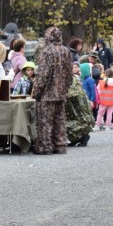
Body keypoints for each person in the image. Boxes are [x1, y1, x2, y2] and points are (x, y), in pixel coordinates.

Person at [32, 26, 73, 154]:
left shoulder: (47, 51)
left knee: (45, 121)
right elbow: (70, 74)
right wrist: (65, 89)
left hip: (47, 93)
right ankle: (60, 145)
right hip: (61, 93)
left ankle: (46, 147)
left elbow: (43, 74)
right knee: (59, 120)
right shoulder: (66, 51)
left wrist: (37, 91)